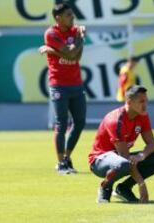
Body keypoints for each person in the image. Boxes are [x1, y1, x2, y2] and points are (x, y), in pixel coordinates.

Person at [88, 85, 154, 203]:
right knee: (123, 164)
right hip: (99, 161)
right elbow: (124, 157)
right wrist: (141, 183)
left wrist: (142, 156)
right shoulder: (116, 120)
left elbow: (152, 145)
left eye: (146, 101)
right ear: (129, 101)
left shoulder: (142, 116)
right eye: (141, 101)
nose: (145, 105)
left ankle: (123, 188)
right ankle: (105, 187)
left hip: (121, 157)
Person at [39, 3, 86, 174]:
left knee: (80, 122)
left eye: (72, 14)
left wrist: (53, 51)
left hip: (76, 83)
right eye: (68, 15)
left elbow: (76, 56)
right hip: (59, 84)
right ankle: (60, 164)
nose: (72, 17)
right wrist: (78, 41)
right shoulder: (51, 33)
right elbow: (70, 53)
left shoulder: (75, 32)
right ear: (58, 18)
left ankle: (67, 157)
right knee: (61, 123)